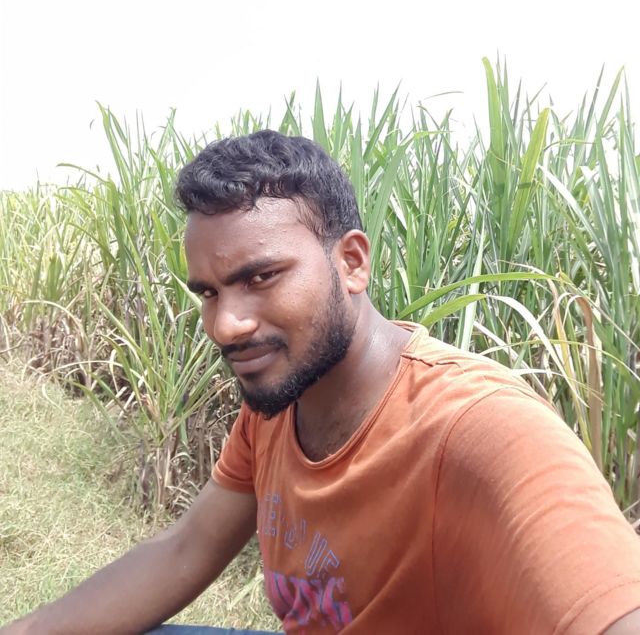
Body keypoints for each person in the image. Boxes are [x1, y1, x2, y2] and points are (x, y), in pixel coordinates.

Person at [4, 129, 640, 635]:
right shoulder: (279, 403)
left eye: (260, 277)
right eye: (209, 292)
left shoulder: (480, 427)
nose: (225, 325)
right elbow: (185, 548)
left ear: (352, 262)